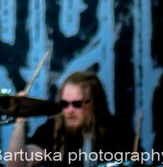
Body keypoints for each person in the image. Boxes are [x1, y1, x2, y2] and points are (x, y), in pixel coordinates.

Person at [7, 71, 136, 167]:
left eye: (77, 104)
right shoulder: (51, 130)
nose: (69, 110)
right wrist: (20, 120)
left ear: (95, 103)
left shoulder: (118, 132)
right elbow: (19, 165)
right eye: (64, 104)